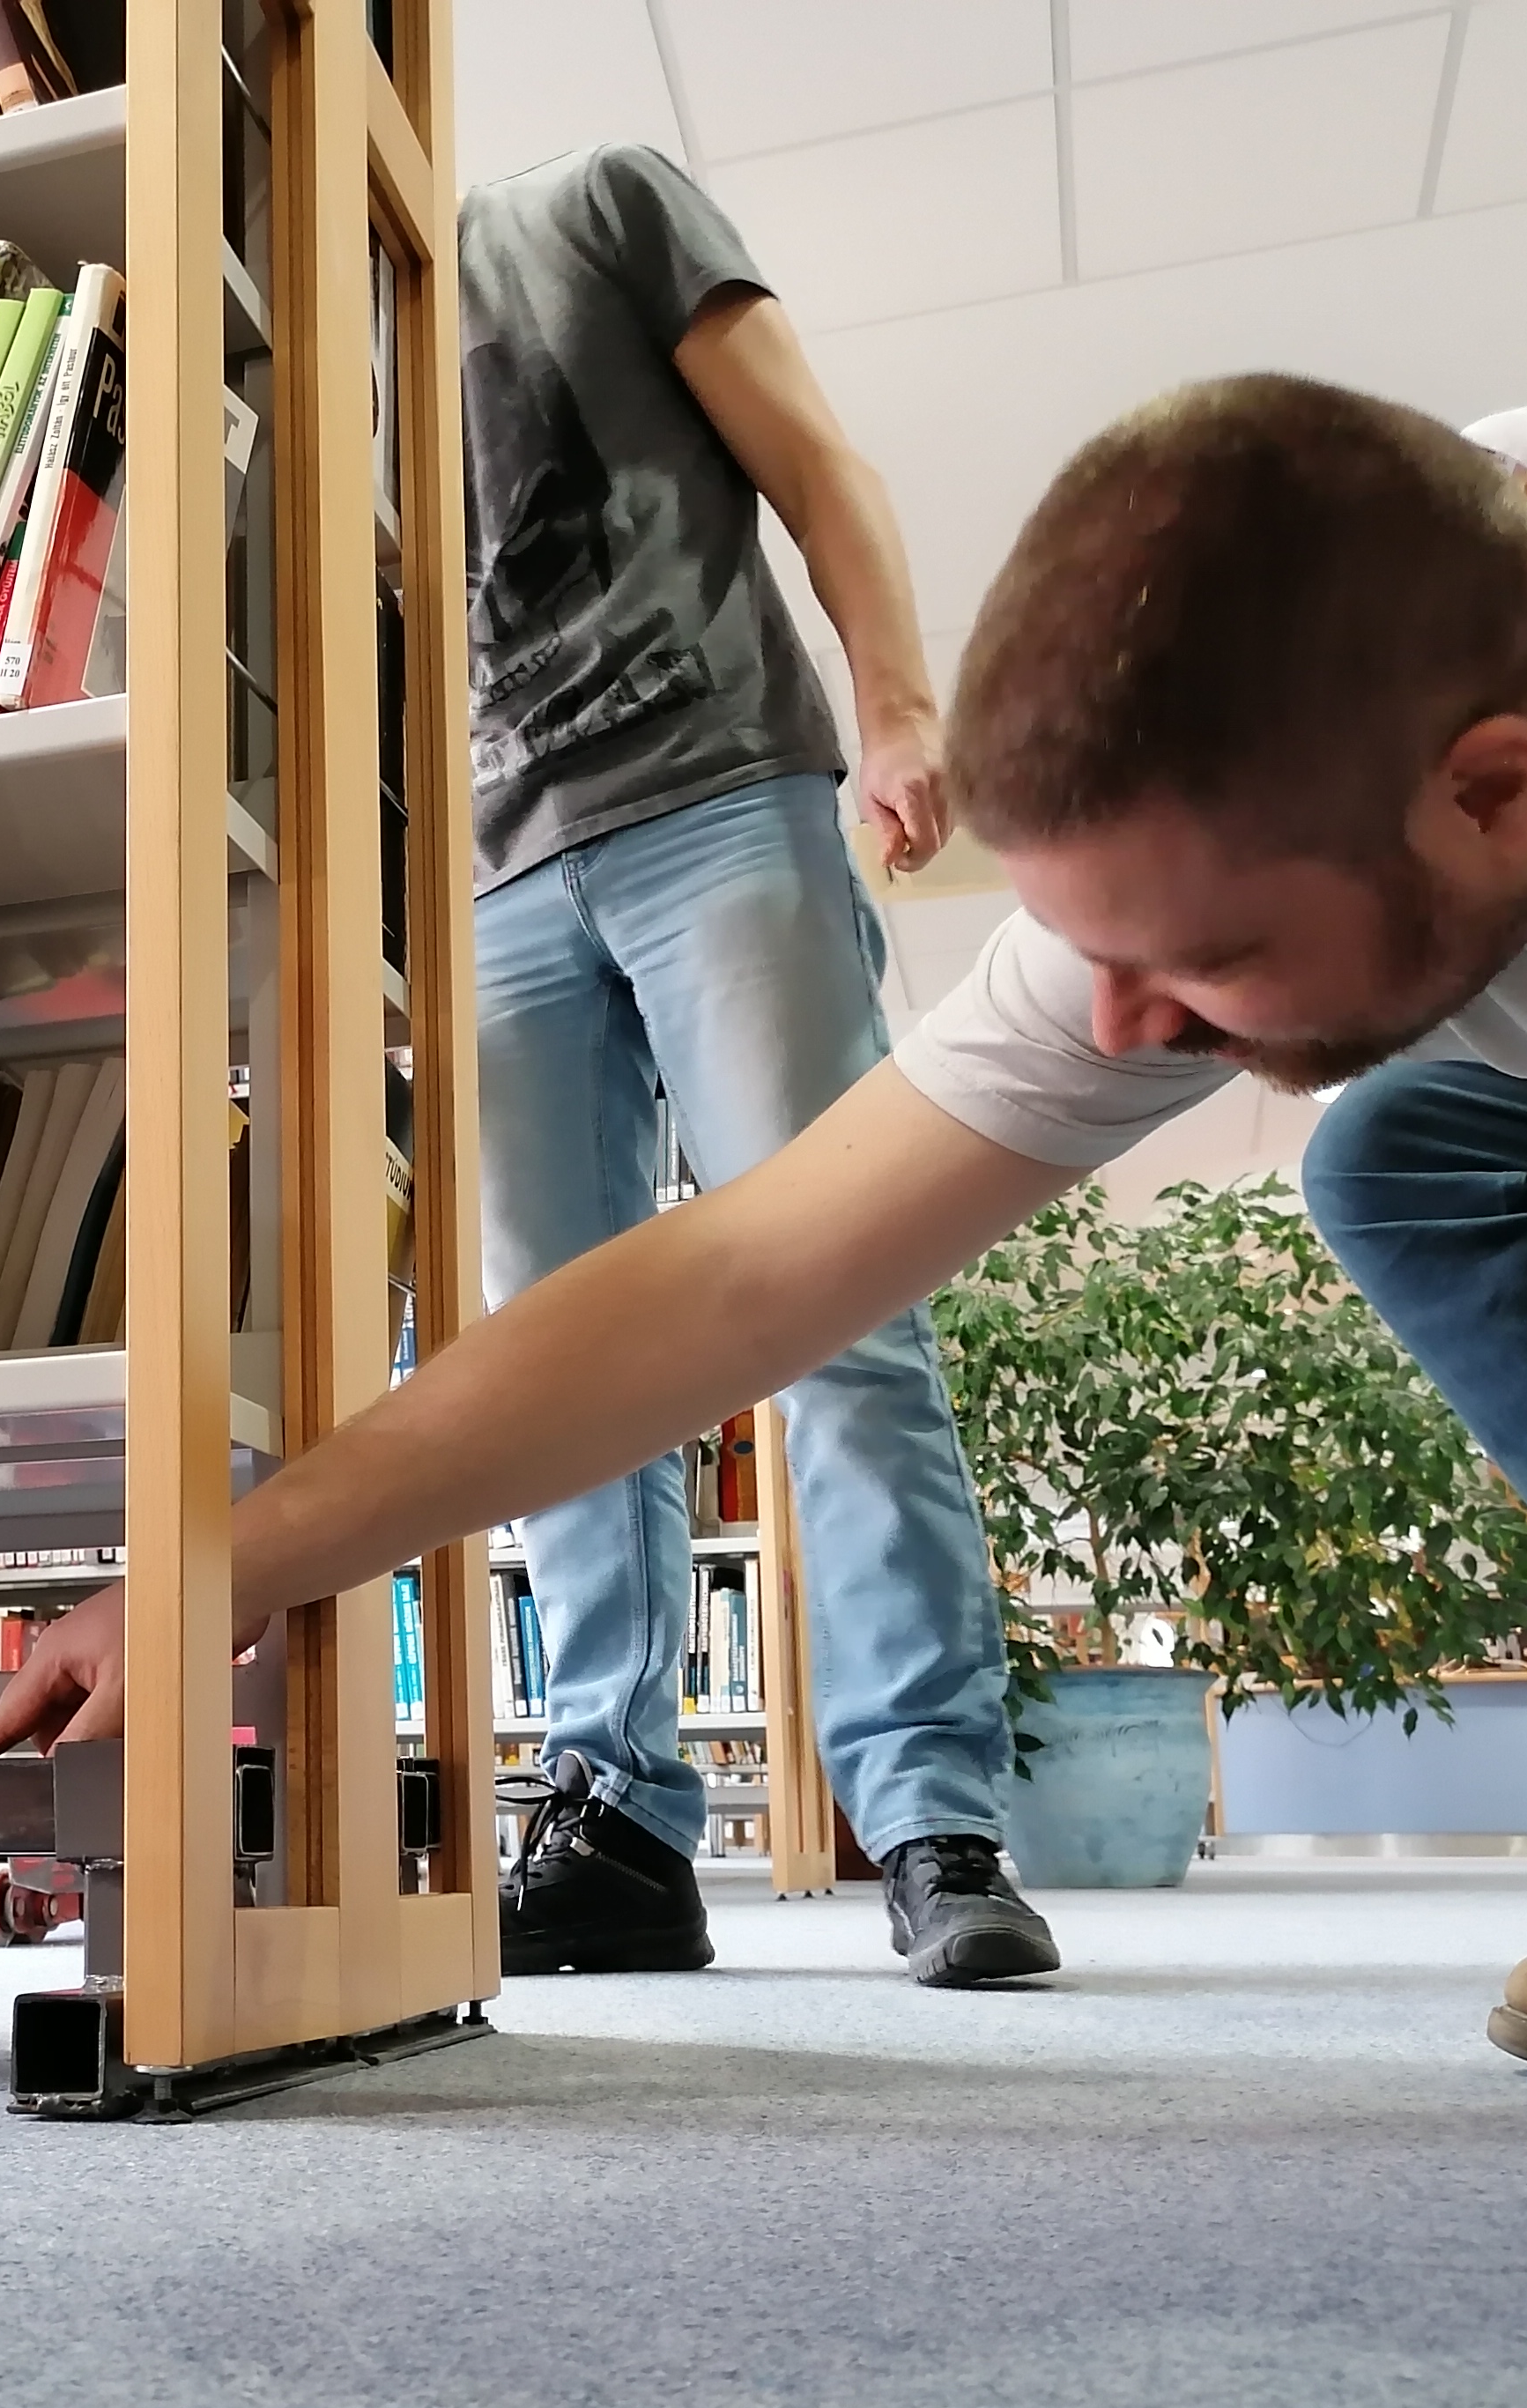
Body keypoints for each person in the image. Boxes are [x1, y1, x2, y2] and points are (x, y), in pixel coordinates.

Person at [0, 261, 1527, 2269]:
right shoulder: (1270, 801)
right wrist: (224, 1570)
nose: (1123, 1031)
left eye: (1201, 962)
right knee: (1410, 1151)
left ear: (1493, 791)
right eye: (1094, 950)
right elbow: (742, 1272)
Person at [453, 143, 1056, 1985]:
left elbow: (817, 465)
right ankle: (617, 1821)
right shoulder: (296, 341)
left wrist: (896, 709)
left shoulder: (591, 209)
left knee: (833, 1304)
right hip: (482, 874)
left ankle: (932, 1816)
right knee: (560, 1364)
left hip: (713, 793)